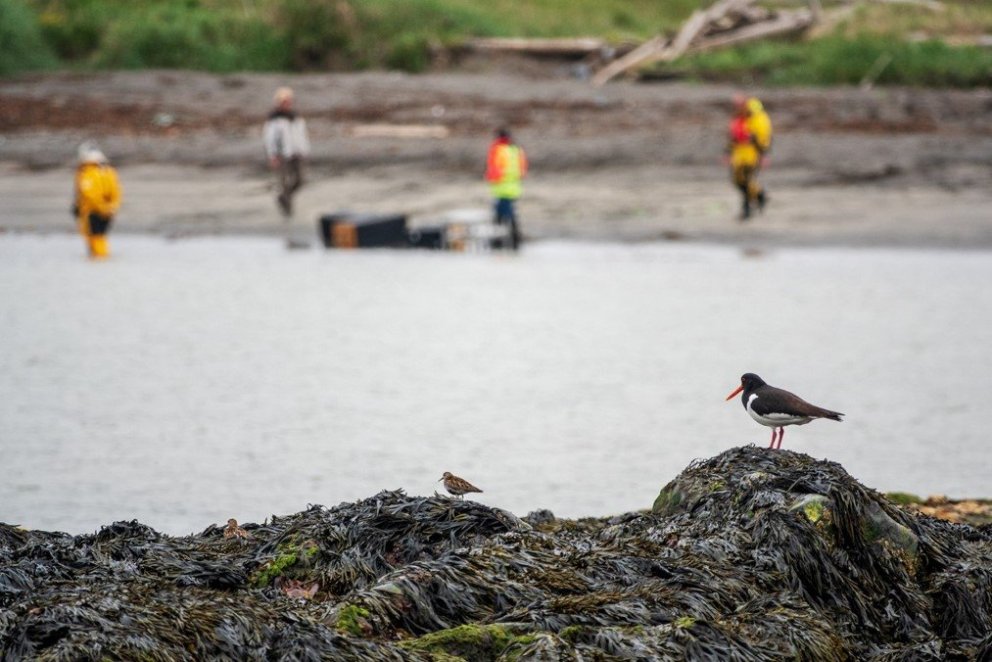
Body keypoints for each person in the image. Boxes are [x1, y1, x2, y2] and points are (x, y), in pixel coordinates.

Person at [263, 86, 310, 217]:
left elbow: (302, 135)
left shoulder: (296, 118)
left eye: (289, 101)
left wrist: (305, 150)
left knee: (300, 180)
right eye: (284, 101)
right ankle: (288, 212)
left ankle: (284, 198)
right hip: (282, 154)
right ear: (279, 102)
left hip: (297, 153)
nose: (287, 103)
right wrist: (272, 156)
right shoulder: (274, 120)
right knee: (283, 183)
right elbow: (269, 139)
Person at [73, 142, 122, 259]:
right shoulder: (109, 172)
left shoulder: (87, 173)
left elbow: (89, 194)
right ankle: (102, 259)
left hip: (92, 211)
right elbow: (117, 191)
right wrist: (112, 207)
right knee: (102, 236)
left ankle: (98, 260)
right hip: (109, 210)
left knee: (94, 236)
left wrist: (102, 208)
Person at [727, 95, 772, 220]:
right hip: (739, 155)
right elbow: (733, 137)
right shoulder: (739, 118)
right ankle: (759, 196)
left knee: (746, 181)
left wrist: (763, 155)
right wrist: (728, 153)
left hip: (751, 155)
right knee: (738, 181)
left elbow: (763, 139)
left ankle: (748, 208)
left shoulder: (758, 119)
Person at [485, 127, 528, 249]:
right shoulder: (516, 150)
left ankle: (499, 241)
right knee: (508, 214)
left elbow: (493, 170)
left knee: (502, 215)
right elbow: (523, 169)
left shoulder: (498, 150)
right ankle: (513, 240)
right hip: (514, 186)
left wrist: (490, 178)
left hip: (501, 188)